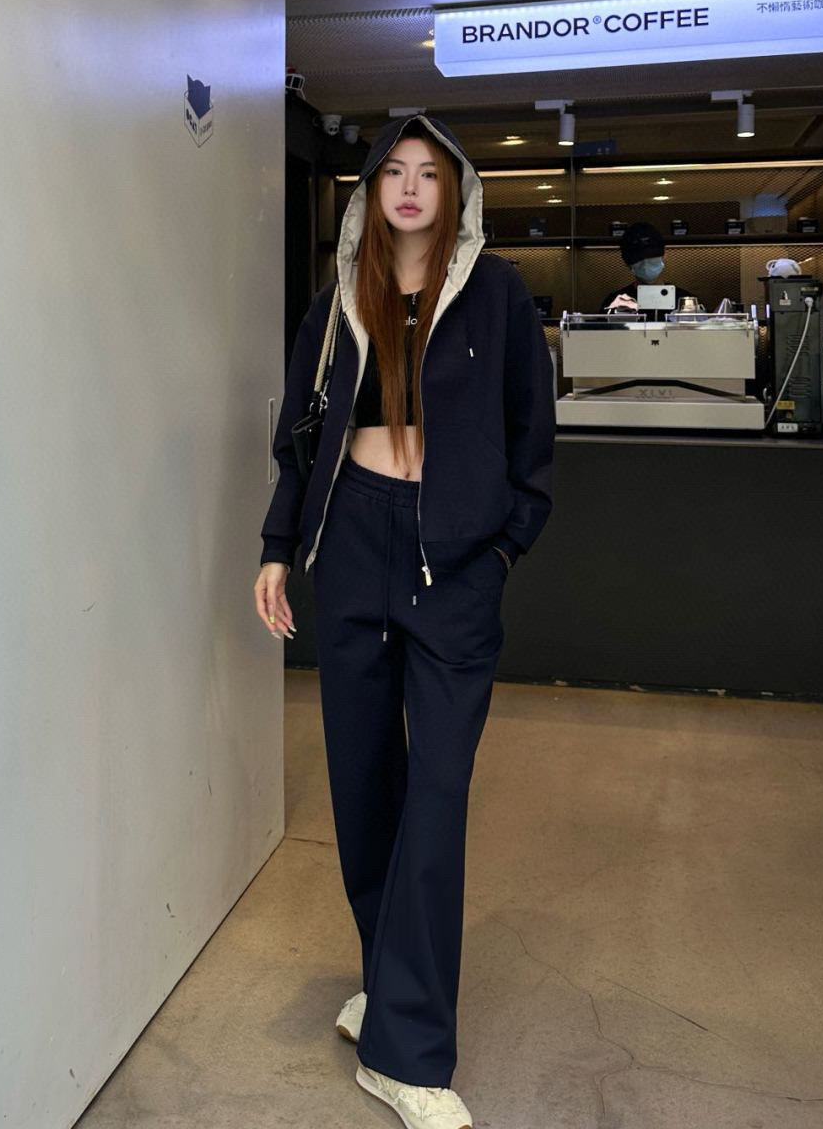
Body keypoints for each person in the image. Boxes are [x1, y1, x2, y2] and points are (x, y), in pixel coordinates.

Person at [253, 114, 556, 1129]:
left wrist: (503, 550)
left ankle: (408, 1054)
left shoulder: (498, 295)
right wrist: (278, 547)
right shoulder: (340, 300)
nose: (414, 187)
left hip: (453, 569)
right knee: (364, 786)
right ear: (372, 192)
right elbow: (299, 439)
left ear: (456, 190)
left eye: (431, 172)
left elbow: (533, 437)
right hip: (352, 545)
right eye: (396, 172)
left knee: (436, 792)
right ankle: (387, 984)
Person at [600, 221, 692, 315]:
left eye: (651, 257)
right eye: (639, 259)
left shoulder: (687, 303)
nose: (645, 265)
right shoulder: (616, 304)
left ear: (664, 255)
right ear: (627, 263)